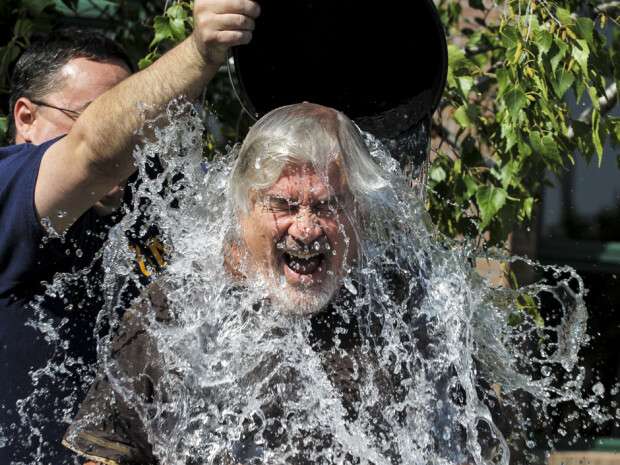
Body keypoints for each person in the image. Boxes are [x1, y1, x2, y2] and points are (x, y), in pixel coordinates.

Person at [62, 103, 430, 465]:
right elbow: (108, 453)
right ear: (242, 211)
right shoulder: (180, 305)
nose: (305, 230)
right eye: (284, 206)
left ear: (359, 215)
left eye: (327, 207)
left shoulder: (402, 308)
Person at [0, 1, 261, 463]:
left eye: (137, 127)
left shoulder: (148, 207)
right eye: (96, 115)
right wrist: (201, 52)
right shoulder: (9, 187)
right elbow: (93, 153)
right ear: (25, 118)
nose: (130, 144)